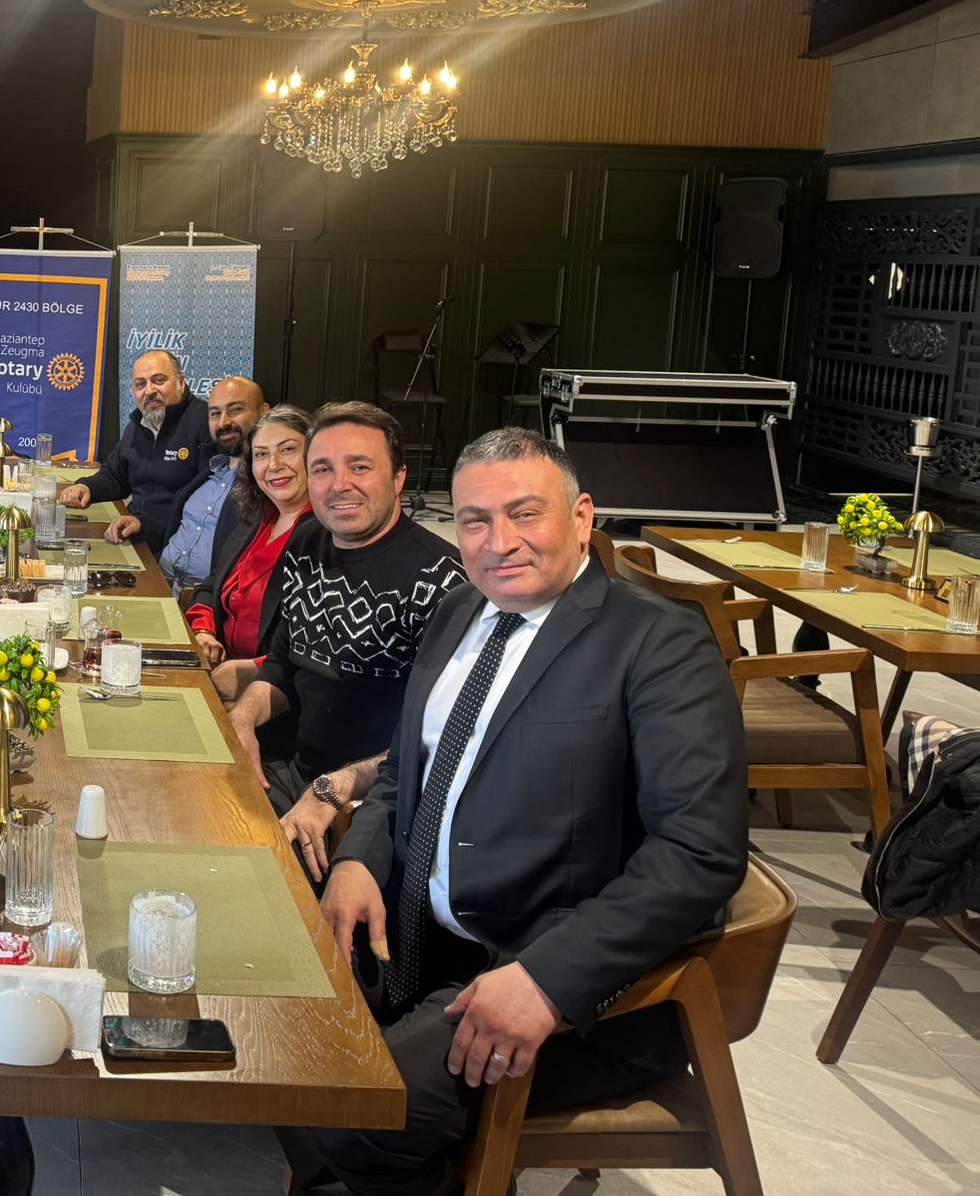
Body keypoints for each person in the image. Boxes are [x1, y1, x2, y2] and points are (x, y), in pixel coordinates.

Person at [282, 427, 748, 1196]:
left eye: (525, 514)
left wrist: (547, 977)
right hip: (417, 938)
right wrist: (362, 856)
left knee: (358, 1115)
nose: (499, 542)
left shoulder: (658, 643)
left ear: (582, 517)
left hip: (547, 977)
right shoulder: (460, 610)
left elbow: (699, 852)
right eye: (475, 521)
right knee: (275, 1029)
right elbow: (407, 771)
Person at [217, 401, 463, 873]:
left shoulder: (441, 581)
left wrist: (334, 788)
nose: (339, 484)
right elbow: (284, 665)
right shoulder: (306, 543)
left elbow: (437, 739)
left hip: (374, 806)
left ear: (399, 478)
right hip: (295, 774)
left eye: (360, 467)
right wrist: (243, 718)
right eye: (323, 469)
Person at [109, 376, 267, 591]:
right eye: (215, 414)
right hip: (155, 579)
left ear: (264, 412)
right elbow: (176, 531)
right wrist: (142, 525)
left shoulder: (264, 483)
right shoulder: (210, 472)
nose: (223, 422)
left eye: (235, 410)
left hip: (198, 601)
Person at [185, 405, 311, 671]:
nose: (274, 465)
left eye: (287, 449)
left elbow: (316, 648)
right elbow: (210, 587)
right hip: (219, 666)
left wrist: (248, 671)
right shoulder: (255, 519)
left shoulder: (328, 535)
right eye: (261, 454)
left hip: (271, 684)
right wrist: (204, 632)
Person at [58, 349, 212, 553]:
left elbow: (206, 507)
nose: (149, 390)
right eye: (140, 384)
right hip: (135, 535)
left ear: (181, 382)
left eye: (159, 380)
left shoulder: (206, 423)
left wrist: (145, 524)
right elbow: (115, 477)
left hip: (177, 548)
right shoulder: (138, 425)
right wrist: (86, 487)